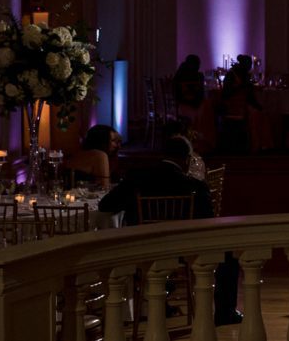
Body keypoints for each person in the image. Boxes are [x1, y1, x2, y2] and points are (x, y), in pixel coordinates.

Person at [98, 134, 241, 324]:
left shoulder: (137, 178)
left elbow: (105, 205)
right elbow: (207, 224)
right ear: (188, 159)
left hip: (141, 249)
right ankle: (225, 312)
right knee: (229, 256)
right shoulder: (195, 186)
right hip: (182, 251)